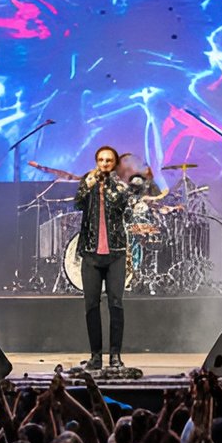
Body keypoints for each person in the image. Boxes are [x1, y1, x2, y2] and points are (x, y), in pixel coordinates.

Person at [77, 145, 131, 371]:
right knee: (91, 305)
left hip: (115, 253)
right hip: (91, 253)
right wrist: (88, 186)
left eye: (109, 160)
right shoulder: (87, 181)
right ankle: (96, 355)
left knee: (116, 304)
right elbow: (78, 203)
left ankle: (115, 355)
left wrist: (106, 185)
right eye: (101, 160)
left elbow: (122, 208)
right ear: (96, 161)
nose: (104, 164)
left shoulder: (120, 185)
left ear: (115, 163)